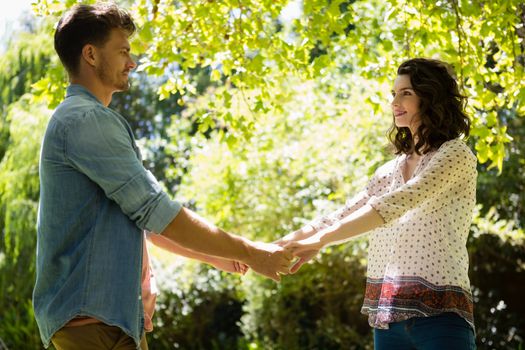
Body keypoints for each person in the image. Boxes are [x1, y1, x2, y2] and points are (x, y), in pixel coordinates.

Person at [34, 3, 292, 350]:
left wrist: (216, 254)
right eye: (123, 51)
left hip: (104, 323)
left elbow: (141, 217)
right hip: (94, 325)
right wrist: (252, 252)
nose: (132, 62)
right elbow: (155, 210)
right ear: (91, 55)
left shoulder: (86, 120)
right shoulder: (85, 120)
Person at [281, 58, 477, 349]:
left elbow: (397, 203)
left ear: (431, 96)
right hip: (388, 322)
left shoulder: (455, 155)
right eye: (394, 94)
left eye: (406, 93)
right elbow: (344, 213)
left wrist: (321, 240)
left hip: (441, 317)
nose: (395, 102)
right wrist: (274, 246)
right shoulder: (390, 170)